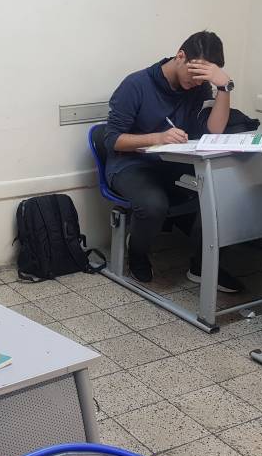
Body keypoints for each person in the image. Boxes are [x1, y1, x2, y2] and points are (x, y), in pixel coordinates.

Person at [104, 30, 244, 291]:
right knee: (153, 204)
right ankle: (137, 253)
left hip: (174, 162)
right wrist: (157, 137)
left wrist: (224, 88)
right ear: (180, 56)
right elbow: (112, 140)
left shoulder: (197, 88)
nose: (197, 82)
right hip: (131, 164)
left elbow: (215, 130)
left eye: (204, 77)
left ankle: (202, 266)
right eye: (194, 74)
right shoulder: (136, 85)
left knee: (218, 193)